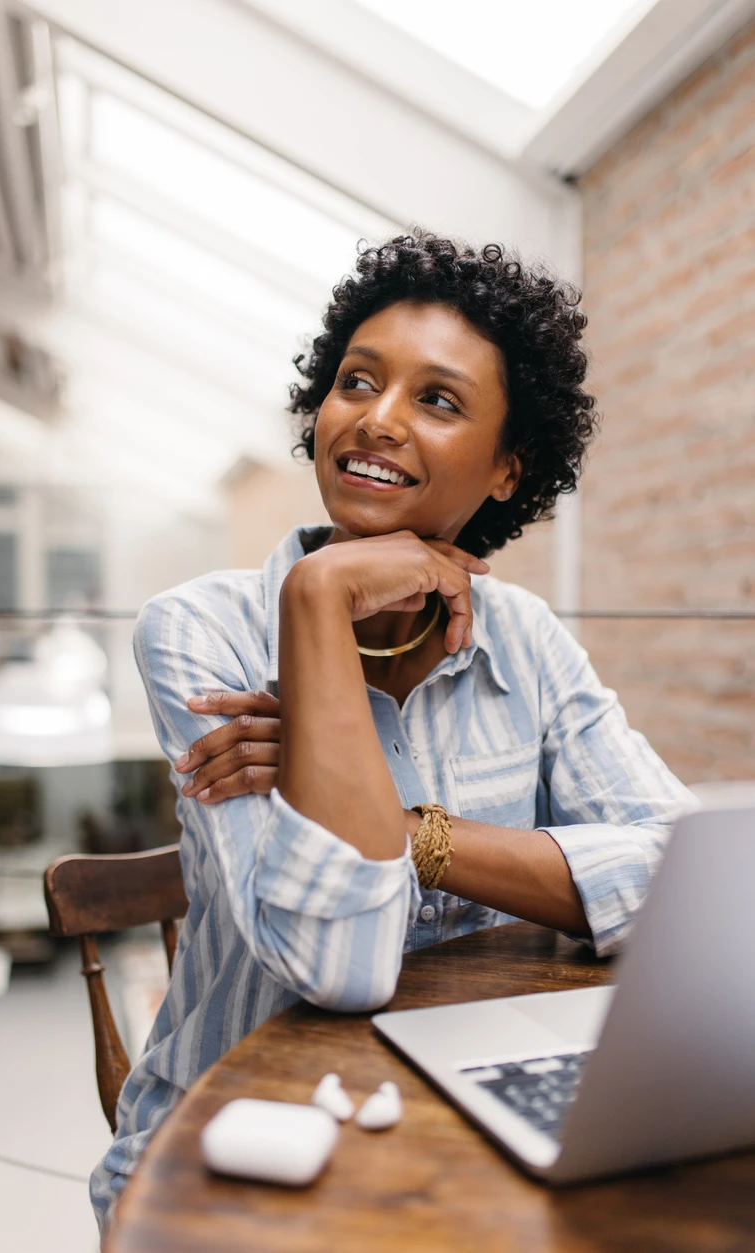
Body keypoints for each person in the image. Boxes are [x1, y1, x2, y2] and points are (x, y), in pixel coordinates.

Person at [90, 232, 693, 1230]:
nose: (375, 417)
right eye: (356, 381)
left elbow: (681, 881)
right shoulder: (201, 631)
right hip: (232, 1154)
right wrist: (318, 598)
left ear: (507, 468)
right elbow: (341, 966)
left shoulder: (525, 637)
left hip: (456, 1127)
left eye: (437, 399)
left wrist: (414, 831)